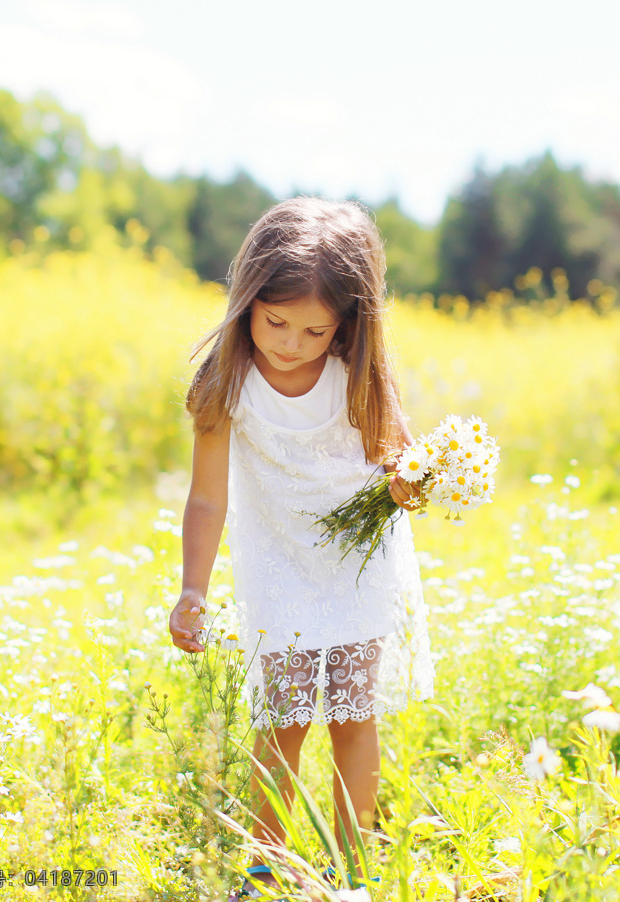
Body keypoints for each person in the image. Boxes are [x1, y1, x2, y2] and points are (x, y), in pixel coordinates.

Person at [168, 196, 434, 898]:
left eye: (313, 331)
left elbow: (399, 468)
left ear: (348, 325)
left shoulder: (360, 377)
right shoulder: (228, 385)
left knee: (352, 716)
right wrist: (193, 587)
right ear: (247, 299)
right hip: (279, 569)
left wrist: (413, 485)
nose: (289, 342)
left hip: (356, 571)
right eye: (274, 321)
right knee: (282, 725)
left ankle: (354, 868)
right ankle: (265, 869)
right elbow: (206, 498)